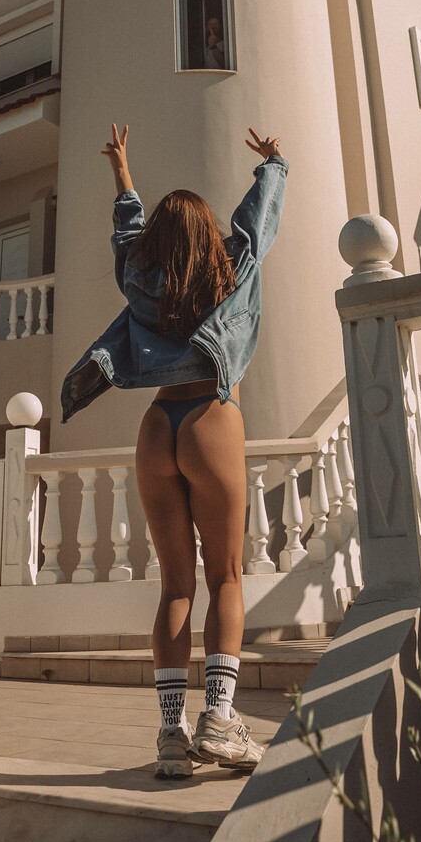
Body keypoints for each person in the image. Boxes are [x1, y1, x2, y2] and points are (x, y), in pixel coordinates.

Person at [60, 122, 287, 780]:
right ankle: (219, 719)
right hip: (210, 417)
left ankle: (170, 736)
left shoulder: (140, 276)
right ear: (209, 233)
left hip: (157, 425)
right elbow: (257, 221)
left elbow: (127, 235)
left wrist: (123, 174)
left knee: (175, 587)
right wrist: (274, 164)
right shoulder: (232, 266)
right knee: (226, 577)